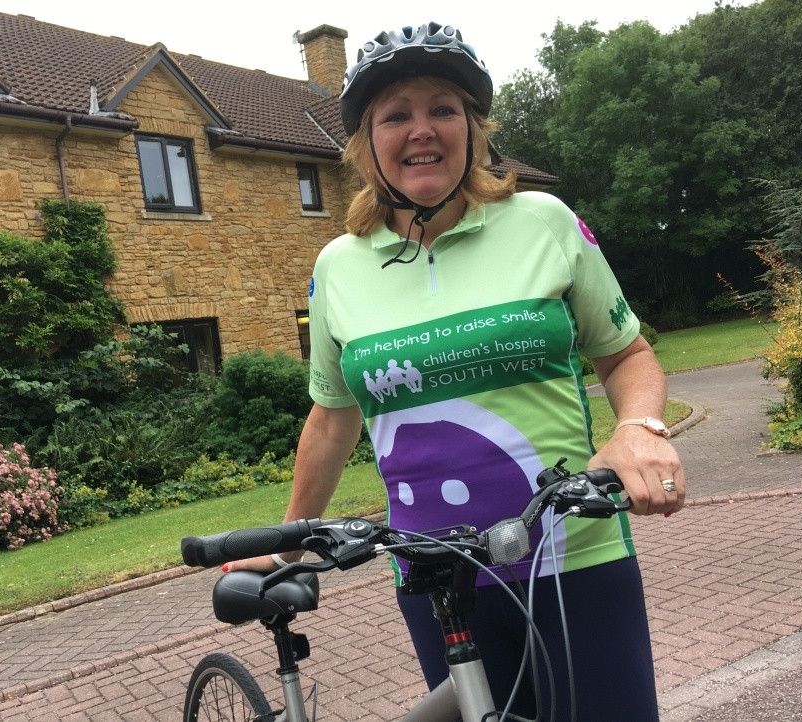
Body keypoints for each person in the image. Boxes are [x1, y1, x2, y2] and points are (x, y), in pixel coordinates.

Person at [227, 22, 685, 720]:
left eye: (444, 108)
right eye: (396, 115)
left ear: (474, 129)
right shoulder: (338, 268)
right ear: (365, 144)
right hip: (436, 577)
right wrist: (292, 537)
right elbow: (333, 416)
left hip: (575, 561)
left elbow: (625, 353)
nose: (422, 130)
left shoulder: (543, 222)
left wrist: (640, 428)